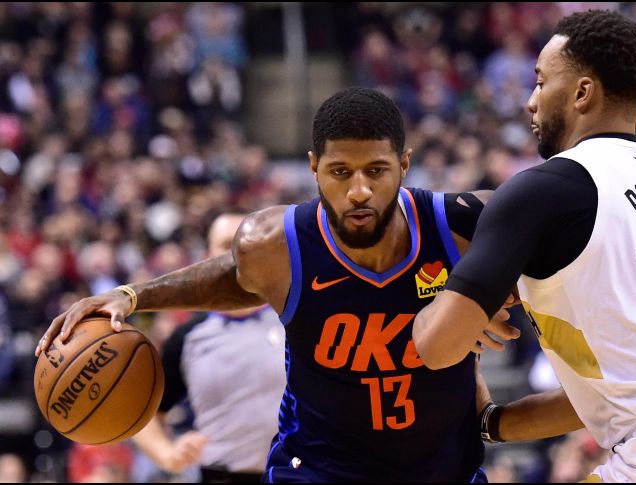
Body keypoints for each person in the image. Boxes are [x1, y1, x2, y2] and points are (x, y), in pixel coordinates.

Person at [36, 87, 517, 482]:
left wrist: (500, 294)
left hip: (442, 470)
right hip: (317, 470)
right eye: (339, 172)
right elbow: (237, 278)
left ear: (405, 164)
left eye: (376, 170)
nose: (359, 190)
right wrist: (133, 295)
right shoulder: (274, 244)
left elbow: (562, 272)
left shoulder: (465, 225)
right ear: (313, 168)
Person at [412, 9, 636, 483]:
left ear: (582, 92)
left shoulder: (542, 189)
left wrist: (426, 305)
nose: (530, 102)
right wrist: (491, 423)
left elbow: (436, 348)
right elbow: (628, 388)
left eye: (540, 83)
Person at [131, 210, 285, 483]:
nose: (241, 252)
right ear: (205, 261)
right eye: (228, 244)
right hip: (220, 476)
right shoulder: (188, 337)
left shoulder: (293, 319)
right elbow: (144, 417)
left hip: (293, 474)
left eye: (250, 243)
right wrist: (168, 453)